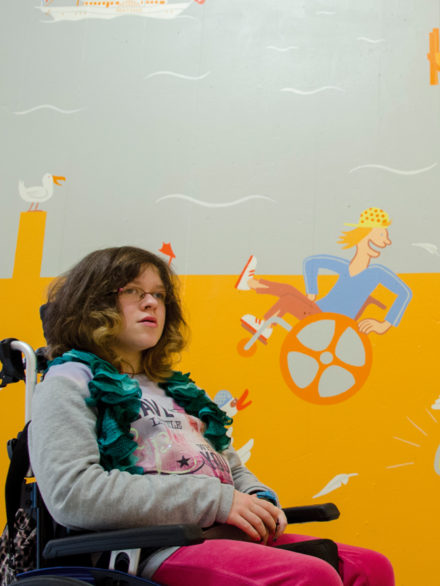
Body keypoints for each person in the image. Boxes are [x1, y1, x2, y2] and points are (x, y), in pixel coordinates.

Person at [29, 246, 394, 585]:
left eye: (159, 295)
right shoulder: (69, 382)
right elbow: (73, 493)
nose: (151, 303)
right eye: (133, 291)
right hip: (148, 548)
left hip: (218, 533)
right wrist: (216, 501)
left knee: (370, 567)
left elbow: (228, 468)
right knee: (309, 576)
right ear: (93, 302)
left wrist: (257, 497)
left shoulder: (176, 390)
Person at [237, 207, 412, 341]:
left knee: (289, 297)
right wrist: (312, 293)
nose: (387, 242)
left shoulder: (376, 273)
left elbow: (405, 293)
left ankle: (262, 318)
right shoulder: (345, 267)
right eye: (381, 234)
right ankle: (253, 291)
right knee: (289, 291)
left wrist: (384, 325)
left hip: (330, 320)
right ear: (363, 236)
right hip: (318, 312)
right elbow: (311, 263)